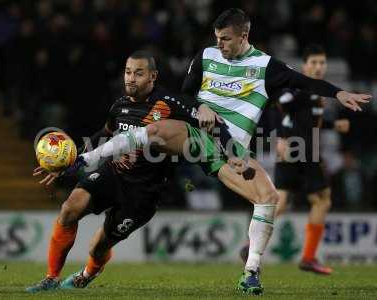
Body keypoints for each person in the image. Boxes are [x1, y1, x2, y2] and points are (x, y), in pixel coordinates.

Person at [179, 8, 370, 294]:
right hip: (210, 139)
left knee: (275, 198)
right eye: (217, 38)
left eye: (225, 39)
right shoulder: (208, 57)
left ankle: (255, 267)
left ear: (244, 35)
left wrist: (338, 94)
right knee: (152, 136)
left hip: (238, 150)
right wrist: (202, 106)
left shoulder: (269, 68)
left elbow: (306, 93)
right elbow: (184, 94)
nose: (219, 45)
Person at [26, 50, 250, 293]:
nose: (130, 78)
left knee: (97, 248)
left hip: (144, 192)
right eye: (128, 72)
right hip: (113, 174)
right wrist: (70, 162)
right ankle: (50, 278)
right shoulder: (119, 105)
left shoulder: (168, 103)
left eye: (138, 73)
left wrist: (222, 137)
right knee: (70, 209)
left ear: (153, 76)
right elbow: (104, 135)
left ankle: (88, 273)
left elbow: (208, 119)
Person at [273, 45, 350, 274]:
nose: (318, 67)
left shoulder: (314, 92)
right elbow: (281, 103)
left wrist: (332, 125)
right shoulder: (301, 87)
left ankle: (250, 244)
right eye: (313, 63)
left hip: (293, 148)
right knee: (323, 199)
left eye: (322, 63)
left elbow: (300, 119)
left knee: (281, 200)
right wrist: (283, 137)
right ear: (305, 65)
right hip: (301, 150)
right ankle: (308, 257)